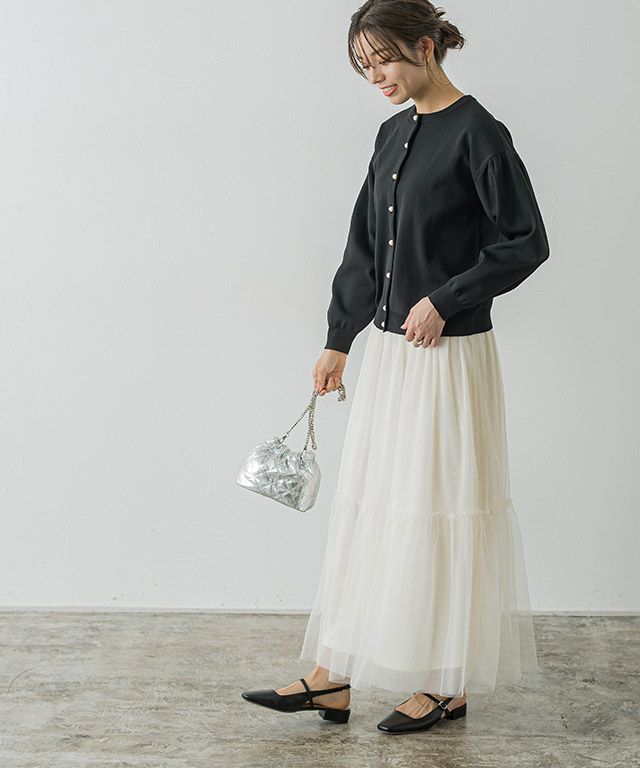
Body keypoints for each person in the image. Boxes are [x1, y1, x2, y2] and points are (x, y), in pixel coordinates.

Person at [242, 0, 548, 734]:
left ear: (425, 47)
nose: (376, 76)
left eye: (383, 60)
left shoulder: (478, 133)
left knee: (439, 508)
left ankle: (448, 683)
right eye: (364, 66)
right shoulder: (392, 133)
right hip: (390, 356)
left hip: (448, 358)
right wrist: (338, 338)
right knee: (373, 506)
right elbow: (363, 245)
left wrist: (446, 299)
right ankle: (332, 676)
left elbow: (525, 241)